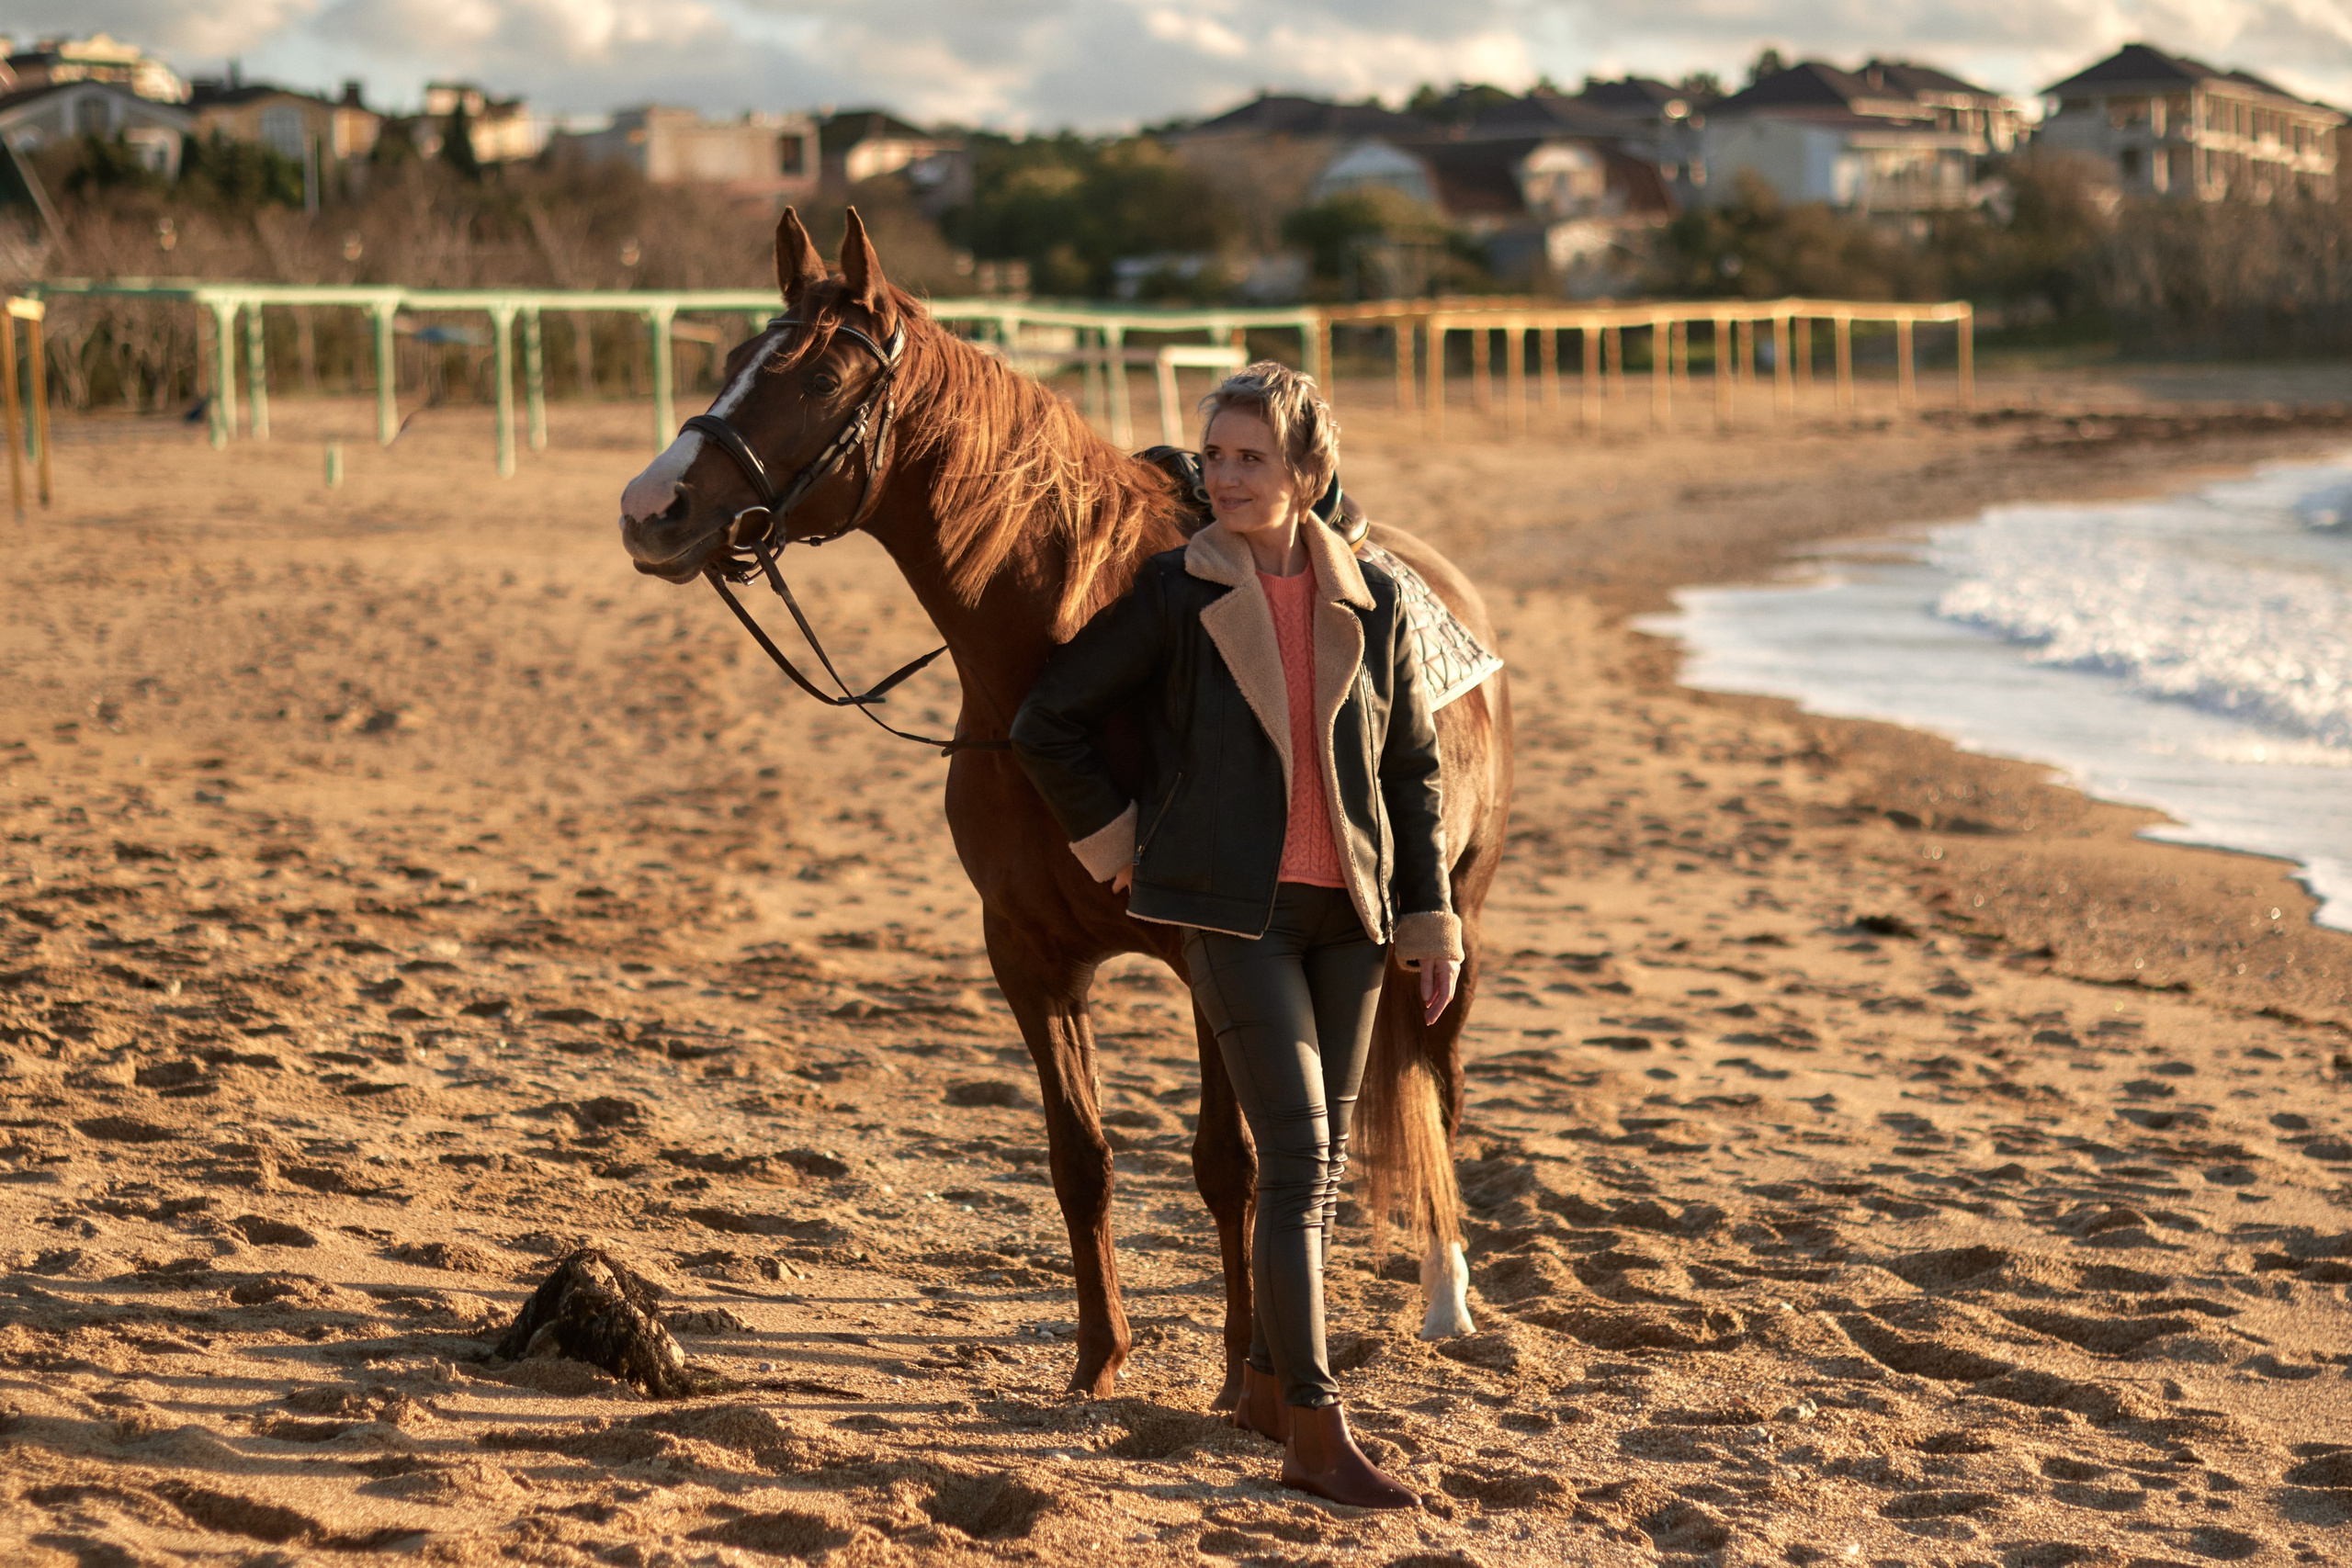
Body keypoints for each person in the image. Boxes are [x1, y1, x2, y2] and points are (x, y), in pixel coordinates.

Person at [1012, 363, 1458, 1510]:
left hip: (1350, 919)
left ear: (1308, 473)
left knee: (1315, 1156)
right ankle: (1314, 1430)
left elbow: (1409, 770)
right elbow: (1045, 722)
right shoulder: (1174, 593)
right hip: (1228, 915)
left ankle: (1262, 1384)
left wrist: (1428, 919)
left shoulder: (1379, 599)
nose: (1224, 478)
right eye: (1213, 457)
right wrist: (1121, 855)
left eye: (1250, 458)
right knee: (1301, 1165)